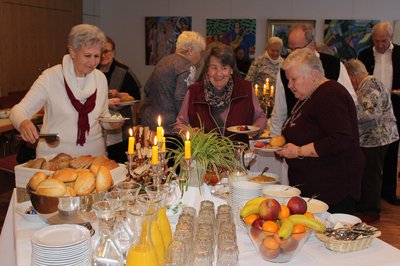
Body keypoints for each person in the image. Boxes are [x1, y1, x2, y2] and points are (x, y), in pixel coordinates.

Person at [10, 24, 121, 157]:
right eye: (87, 56)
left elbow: (102, 116)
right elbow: (18, 111)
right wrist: (23, 122)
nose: (93, 62)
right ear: (72, 52)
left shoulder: (100, 79)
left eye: (96, 56)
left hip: (94, 156)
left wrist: (111, 123)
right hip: (55, 157)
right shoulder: (51, 77)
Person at [276, 48, 363, 214]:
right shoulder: (309, 95)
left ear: (313, 75)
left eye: (294, 79)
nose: (289, 85)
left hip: (333, 190)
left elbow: (340, 139)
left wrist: (299, 151)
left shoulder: (331, 93)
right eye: (288, 80)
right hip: (316, 188)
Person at [270, 22, 357, 136]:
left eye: (297, 49)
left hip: (329, 139)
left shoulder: (334, 65)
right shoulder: (284, 70)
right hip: (296, 141)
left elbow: (351, 102)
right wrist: (275, 141)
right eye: (290, 49)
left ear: (311, 45)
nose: (293, 53)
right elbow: (279, 112)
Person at [175, 43, 267, 142]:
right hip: (204, 155)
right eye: (214, 68)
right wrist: (188, 132)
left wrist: (256, 128)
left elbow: (260, 117)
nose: (219, 74)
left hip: (238, 154)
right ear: (207, 70)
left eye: (224, 68)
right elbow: (180, 124)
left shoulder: (245, 89)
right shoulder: (194, 92)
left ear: (231, 70)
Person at [345, 59, 399, 223]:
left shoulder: (370, 84)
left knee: (371, 175)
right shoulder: (368, 85)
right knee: (368, 173)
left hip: (376, 138)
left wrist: (349, 113)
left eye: (348, 78)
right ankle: (364, 206)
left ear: (353, 75)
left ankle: (371, 211)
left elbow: (371, 113)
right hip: (374, 138)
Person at [358, 21, 400, 205]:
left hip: (396, 106)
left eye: (384, 40)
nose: (380, 44)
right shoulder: (365, 54)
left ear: (390, 38)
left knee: (392, 150)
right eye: (377, 41)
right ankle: (371, 194)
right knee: (372, 158)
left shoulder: (399, 53)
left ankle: (388, 192)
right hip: (371, 110)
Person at [140, 31, 206, 133]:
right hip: (169, 126)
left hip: (149, 120)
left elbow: (147, 88)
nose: (200, 57)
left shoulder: (164, 61)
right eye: (200, 52)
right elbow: (181, 98)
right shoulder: (188, 67)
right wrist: (186, 124)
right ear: (191, 50)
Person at [98, 36, 142, 163]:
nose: (103, 55)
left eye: (107, 51)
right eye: (100, 52)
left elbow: (136, 97)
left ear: (113, 52)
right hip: (96, 129)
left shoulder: (123, 72)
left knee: (118, 161)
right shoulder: (91, 72)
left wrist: (120, 96)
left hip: (119, 128)